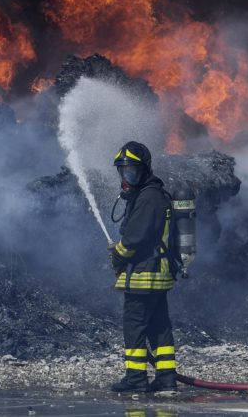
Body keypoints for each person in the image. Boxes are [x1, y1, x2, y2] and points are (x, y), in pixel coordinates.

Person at [108, 141, 178, 393]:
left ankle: (135, 378)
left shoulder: (148, 198)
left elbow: (134, 239)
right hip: (157, 274)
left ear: (144, 170)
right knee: (159, 327)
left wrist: (117, 255)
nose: (127, 176)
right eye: (123, 171)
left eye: (132, 171)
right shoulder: (152, 195)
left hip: (143, 274)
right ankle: (166, 377)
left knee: (134, 326)